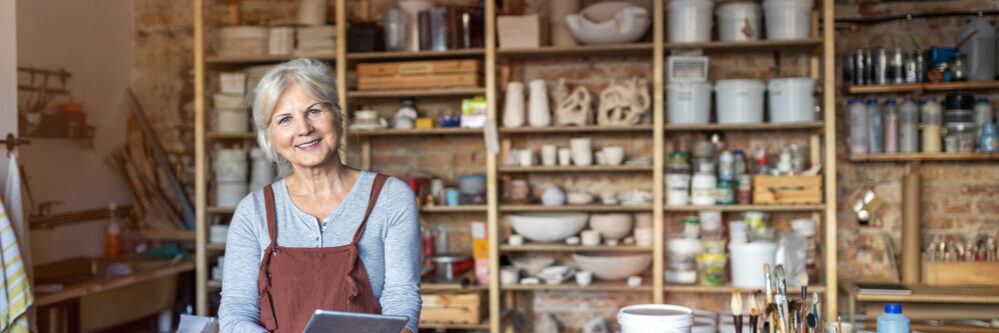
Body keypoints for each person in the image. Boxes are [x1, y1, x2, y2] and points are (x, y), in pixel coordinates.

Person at [219, 58, 421, 333]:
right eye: (285, 120)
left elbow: (402, 299)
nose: (304, 129)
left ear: (338, 115)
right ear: (271, 137)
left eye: (314, 111)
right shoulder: (253, 211)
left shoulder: (390, 197)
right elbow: (236, 312)